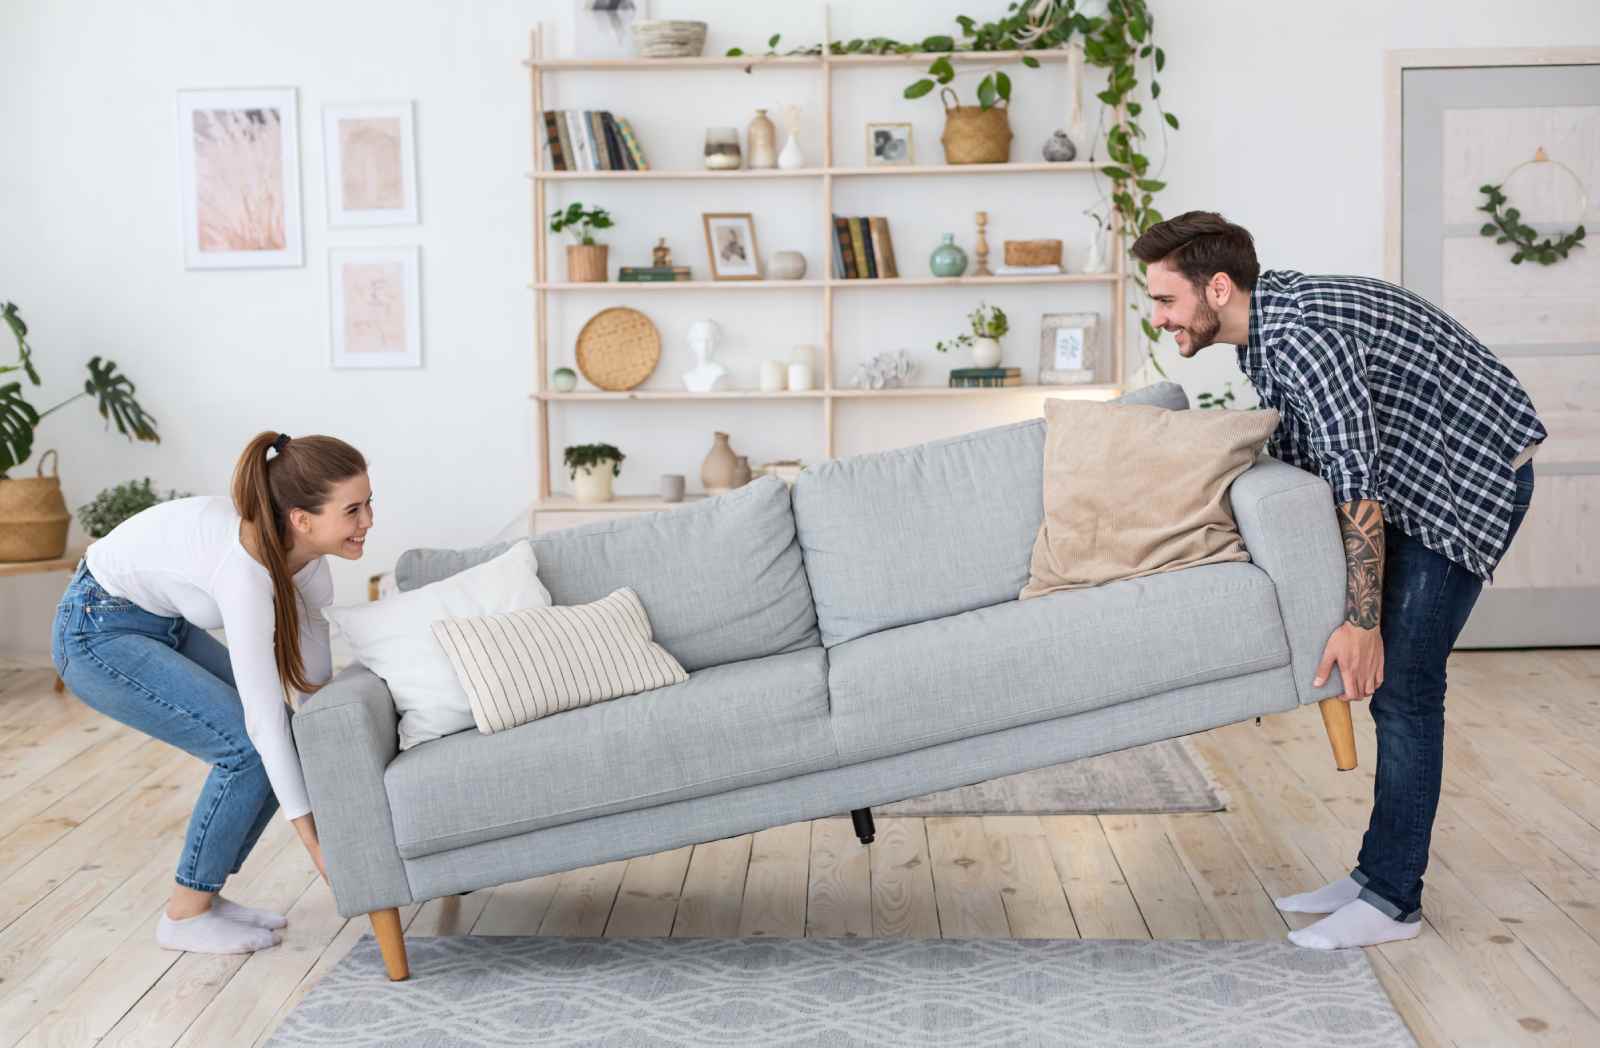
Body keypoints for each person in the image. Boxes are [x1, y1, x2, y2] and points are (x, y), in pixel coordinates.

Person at [1131, 212, 1545, 949]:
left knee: (1407, 685)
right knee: (1397, 685)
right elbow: (1305, 456)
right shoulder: (1262, 335)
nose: (1158, 317)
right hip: (1415, 473)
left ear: (1218, 288)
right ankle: (1372, 875)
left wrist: (1360, 624)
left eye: (1165, 300)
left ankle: (1393, 902)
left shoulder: (1303, 336)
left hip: (1466, 479)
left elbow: (1357, 485)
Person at [51, 432, 373, 954]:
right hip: (95, 629)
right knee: (251, 750)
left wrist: (341, 787)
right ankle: (184, 915)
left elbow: (311, 692)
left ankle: (206, 897)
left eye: (368, 504)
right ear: (302, 519)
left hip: (159, 624)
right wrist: (318, 847)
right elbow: (262, 721)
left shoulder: (311, 564)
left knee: (282, 745)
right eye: (353, 510)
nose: (368, 522)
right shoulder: (245, 572)